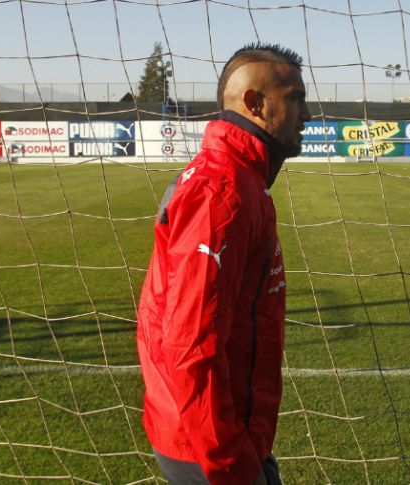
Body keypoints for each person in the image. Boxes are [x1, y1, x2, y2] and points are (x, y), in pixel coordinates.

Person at [136, 42, 311, 485]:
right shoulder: (221, 191)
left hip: (221, 434)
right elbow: (190, 344)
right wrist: (233, 465)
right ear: (256, 103)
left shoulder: (239, 179)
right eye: (295, 98)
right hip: (209, 447)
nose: (307, 115)